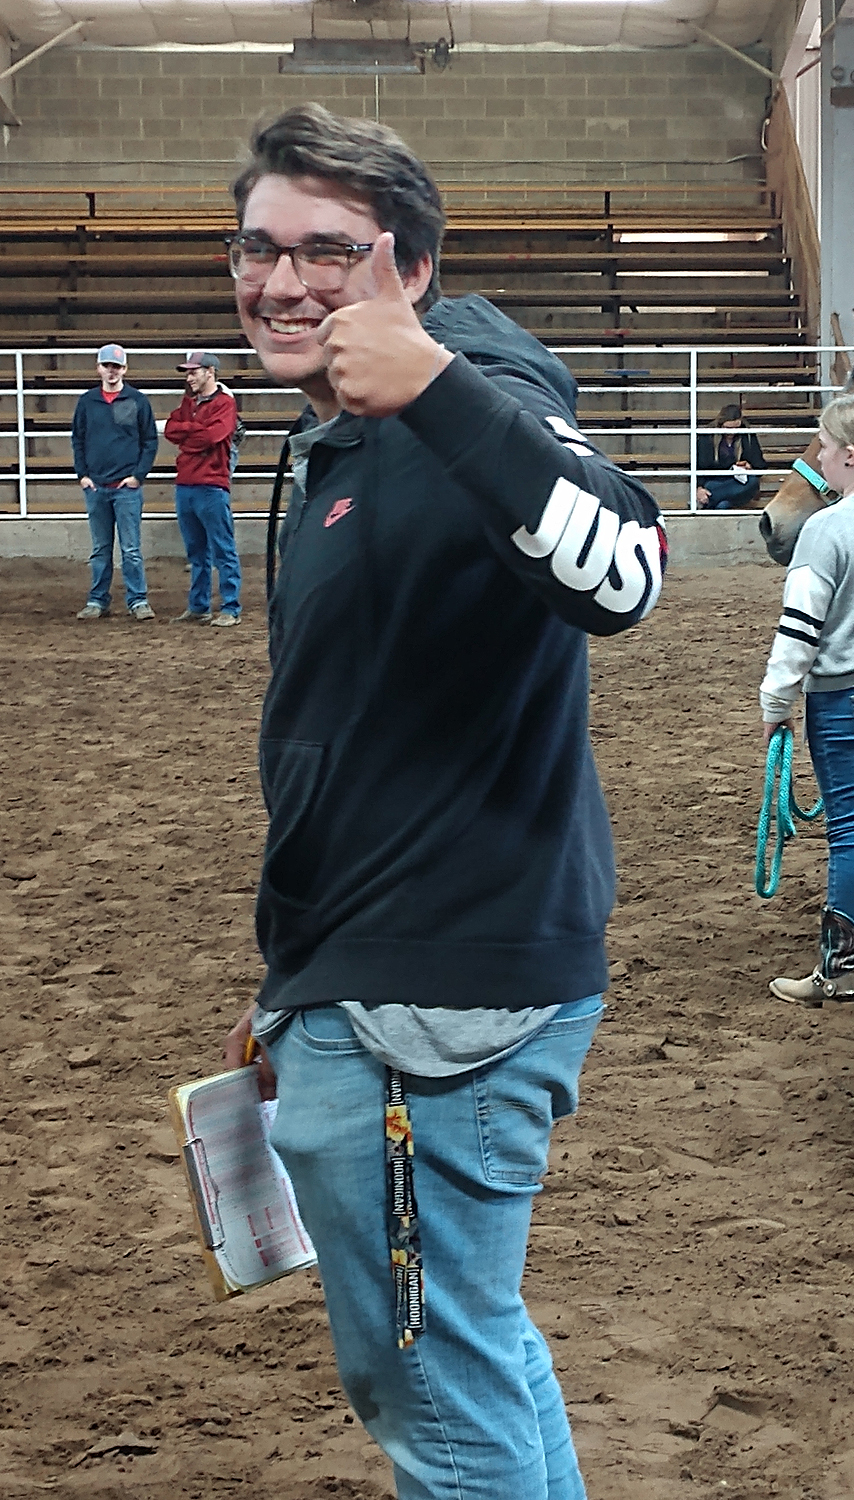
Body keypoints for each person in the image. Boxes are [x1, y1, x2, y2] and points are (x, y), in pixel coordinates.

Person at [218, 104, 665, 1499]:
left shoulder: (468, 399)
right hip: (376, 975)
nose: (283, 283)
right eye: (259, 248)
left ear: (408, 268)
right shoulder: (333, 441)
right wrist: (296, 969)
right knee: (473, 1348)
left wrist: (437, 387)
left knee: (432, 1391)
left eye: (328, 253)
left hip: (440, 1005)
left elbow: (629, 575)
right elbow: (331, 737)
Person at [759, 388, 854, 1005]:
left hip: (843, 696)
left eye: (822, 447)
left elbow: (799, 627)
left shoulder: (825, 530)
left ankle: (838, 969)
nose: (817, 459)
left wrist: (777, 702)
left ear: (850, 455)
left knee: (851, 831)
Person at [71, 343, 159, 621]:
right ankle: (99, 599)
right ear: (99, 368)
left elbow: (150, 441)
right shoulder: (87, 402)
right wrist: (82, 475)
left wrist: (137, 476)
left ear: (124, 369)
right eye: (107, 366)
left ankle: (137, 599)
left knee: (130, 549)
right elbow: (78, 439)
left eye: (116, 366)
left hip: (125, 488)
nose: (112, 371)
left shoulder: (137, 401)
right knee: (101, 549)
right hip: (97, 486)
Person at [164, 351, 242, 626]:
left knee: (221, 549)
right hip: (191, 484)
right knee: (198, 551)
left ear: (210, 372)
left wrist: (187, 436)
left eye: (193, 372)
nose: (189, 377)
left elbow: (211, 436)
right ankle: (201, 606)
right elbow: (171, 430)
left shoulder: (224, 403)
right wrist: (193, 431)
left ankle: (230, 607)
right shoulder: (196, 402)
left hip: (209, 484)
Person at [696, 404, 765, 509]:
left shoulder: (747, 435)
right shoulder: (707, 436)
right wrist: (699, 488)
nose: (732, 432)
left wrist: (749, 466)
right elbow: (699, 465)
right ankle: (716, 500)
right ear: (720, 425)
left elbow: (760, 465)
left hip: (738, 482)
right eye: (728, 428)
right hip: (715, 481)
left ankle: (710, 500)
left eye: (736, 428)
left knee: (753, 482)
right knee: (722, 505)